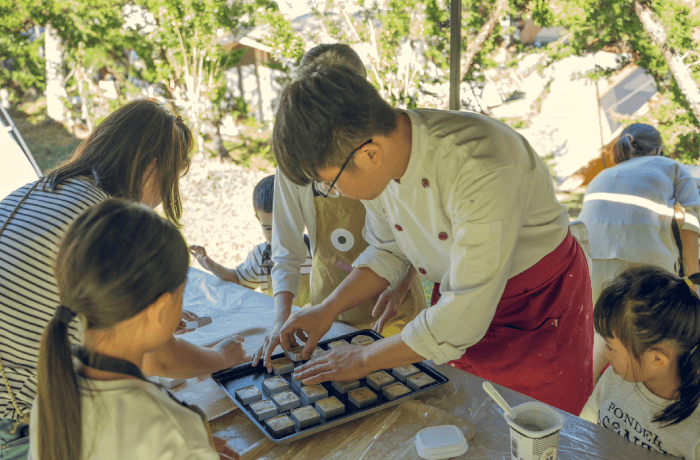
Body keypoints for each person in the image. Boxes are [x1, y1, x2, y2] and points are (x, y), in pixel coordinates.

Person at [271, 56, 593, 415]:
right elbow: (387, 252)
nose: (335, 192)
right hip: (460, 303)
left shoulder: (480, 166)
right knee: (469, 418)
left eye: (329, 183)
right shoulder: (385, 159)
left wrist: (362, 359)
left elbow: (462, 316)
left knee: (533, 430)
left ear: (370, 153)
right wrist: (326, 309)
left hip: (537, 308)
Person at [0, 99, 247, 455]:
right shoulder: (105, 220)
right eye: (172, 177)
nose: (165, 196)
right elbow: (158, 359)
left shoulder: (38, 190)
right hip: (17, 422)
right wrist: (222, 356)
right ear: (150, 168)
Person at [253, 43, 428, 371]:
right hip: (330, 300)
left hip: (393, 300)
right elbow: (287, 250)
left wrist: (401, 283)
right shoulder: (296, 162)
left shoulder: (384, 148)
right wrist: (282, 318)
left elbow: (408, 241)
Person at [29, 199, 238, 460]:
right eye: (181, 293)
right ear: (161, 309)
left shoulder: (55, 387)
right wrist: (192, 446)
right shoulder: (172, 426)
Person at [578, 123, 700, 377]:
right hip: (647, 258)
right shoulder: (672, 166)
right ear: (659, 150)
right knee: (662, 336)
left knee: (607, 333)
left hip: (592, 260)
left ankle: (581, 400)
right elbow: (691, 222)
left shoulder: (603, 175)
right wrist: (694, 278)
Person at [580, 266, 700, 459]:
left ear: (656, 359)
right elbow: (583, 434)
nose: (606, 356)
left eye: (610, 347)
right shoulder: (614, 377)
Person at [189, 174, 312, 307]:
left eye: (284, 226)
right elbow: (239, 280)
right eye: (268, 228)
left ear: (300, 217)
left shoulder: (315, 251)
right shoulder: (260, 256)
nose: (277, 236)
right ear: (258, 219)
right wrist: (212, 266)